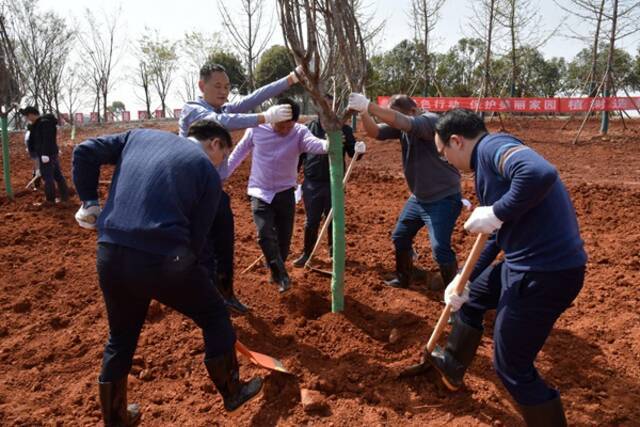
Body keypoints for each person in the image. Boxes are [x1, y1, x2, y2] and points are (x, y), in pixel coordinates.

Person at [72, 120, 262, 425]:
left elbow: (84, 151)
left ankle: (116, 418)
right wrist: (203, 285)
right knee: (214, 315)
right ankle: (232, 391)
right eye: (223, 156)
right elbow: (196, 244)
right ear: (214, 143)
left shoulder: (138, 136)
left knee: (120, 338)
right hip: (162, 257)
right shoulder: (206, 173)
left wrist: (90, 202)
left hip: (110, 252)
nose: (221, 164)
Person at [427, 109, 587, 426]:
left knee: (511, 365)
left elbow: (541, 173)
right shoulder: (487, 164)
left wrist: (497, 211)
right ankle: (452, 366)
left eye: (443, 153)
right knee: (470, 301)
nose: (446, 161)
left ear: (456, 141)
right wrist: (463, 277)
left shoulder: (493, 148)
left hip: (545, 272)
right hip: (525, 262)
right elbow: (497, 234)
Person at [178, 61, 302, 314]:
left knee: (225, 247)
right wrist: (265, 117)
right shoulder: (194, 111)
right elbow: (223, 120)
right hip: (192, 194)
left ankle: (227, 295)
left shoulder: (222, 106)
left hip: (215, 192)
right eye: (217, 86)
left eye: (227, 86)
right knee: (203, 249)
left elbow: (254, 98)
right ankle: (206, 302)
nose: (223, 91)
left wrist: (291, 78)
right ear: (202, 86)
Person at [347, 93, 462, 291]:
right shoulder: (402, 128)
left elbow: (404, 122)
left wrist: (370, 105)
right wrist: (364, 112)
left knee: (439, 248)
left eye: (396, 115)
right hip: (419, 197)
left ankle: (454, 295)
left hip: (443, 198)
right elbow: (375, 132)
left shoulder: (430, 121)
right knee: (400, 236)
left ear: (413, 110)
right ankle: (403, 277)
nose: (394, 120)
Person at [226, 98, 331, 293]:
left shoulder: (299, 132)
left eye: (287, 127)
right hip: (260, 191)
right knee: (264, 233)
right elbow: (238, 153)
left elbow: (314, 144)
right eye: (280, 125)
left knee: (284, 241)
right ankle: (281, 275)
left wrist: (329, 144)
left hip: (285, 192)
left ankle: (277, 267)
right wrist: (221, 175)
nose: (283, 130)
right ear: (272, 117)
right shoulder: (256, 128)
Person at [293, 94, 365, 267]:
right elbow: (299, 157)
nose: (326, 108)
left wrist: (358, 150)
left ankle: (334, 255)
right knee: (311, 221)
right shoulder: (307, 128)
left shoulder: (344, 130)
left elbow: (353, 154)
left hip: (335, 183)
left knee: (334, 220)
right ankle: (307, 253)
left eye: (329, 105)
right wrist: (292, 180)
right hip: (312, 184)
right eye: (321, 104)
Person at [20, 106, 69, 203]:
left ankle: (50, 200)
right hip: (47, 154)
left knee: (48, 177)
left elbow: (48, 139)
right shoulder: (38, 124)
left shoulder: (45, 123)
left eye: (27, 116)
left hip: (47, 155)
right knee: (57, 175)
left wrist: (45, 154)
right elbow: (36, 139)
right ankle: (64, 197)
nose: (26, 119)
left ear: (31, 114)